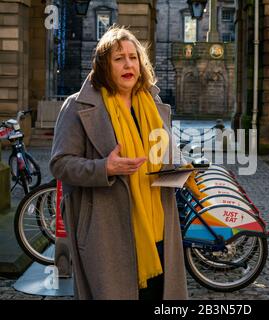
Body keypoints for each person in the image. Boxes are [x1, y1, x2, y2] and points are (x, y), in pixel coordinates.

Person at [50, 25, 188, 300]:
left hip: (158, 227)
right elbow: (60, 164)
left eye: (133, 57)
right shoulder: (78, 107)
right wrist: (105, 168)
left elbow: (165, 155)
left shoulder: (153, 104)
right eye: (118, 58)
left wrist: (183, 168)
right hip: (106, 232)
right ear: (104, 66)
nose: (128, 64)